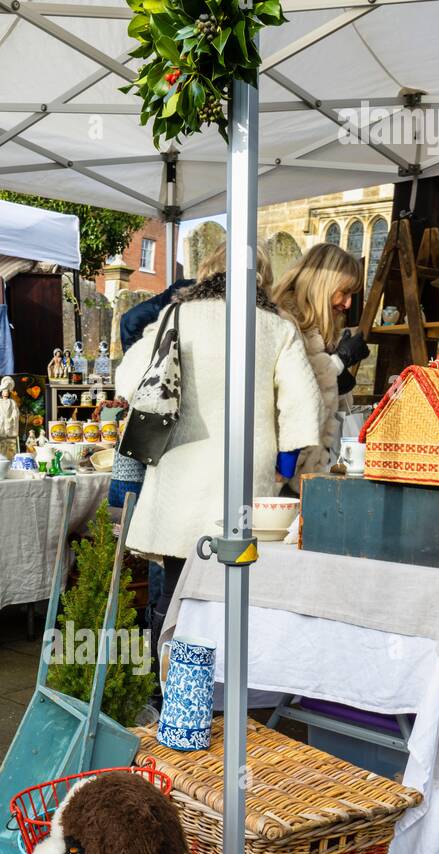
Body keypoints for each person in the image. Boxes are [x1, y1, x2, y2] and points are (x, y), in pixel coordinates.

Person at [115, 243, 322, 642]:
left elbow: (129, 380)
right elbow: (302, 402)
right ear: (261, 279)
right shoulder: (277, 327)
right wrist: (284, 465)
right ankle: (230, 684)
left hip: (180, 464)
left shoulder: (177, 314)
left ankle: (172, 681)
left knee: (178, 584)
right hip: (248, 471)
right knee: (239, 585)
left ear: (207, 272)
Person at [272, 243, 369, 486]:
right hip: (282, 473)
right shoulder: (283, 323)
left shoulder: (316, 328)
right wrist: (338, 362)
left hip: (307, 470)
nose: (347, 304)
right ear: (322, 285)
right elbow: (298, 393)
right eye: (343, 292)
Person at [120, 276, 194, 352]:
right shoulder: (180, 286)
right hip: (177, 291)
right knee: (130, 319)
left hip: (196, 291)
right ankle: (133, 359)